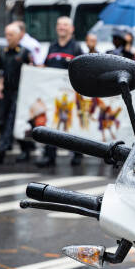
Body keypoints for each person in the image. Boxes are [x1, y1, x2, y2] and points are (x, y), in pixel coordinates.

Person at [38, 16, 84, 167]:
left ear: (72, 29)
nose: (61, 27)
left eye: (65, 25)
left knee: (72, 125)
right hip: (52, 95)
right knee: (51, 124)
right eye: (59, 24)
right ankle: (49, 155)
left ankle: (77, 153)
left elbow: (82, 69)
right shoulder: (52, 47)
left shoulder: (76, 48)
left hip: (69, 95)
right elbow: (46, 68)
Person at [0, 23, 33, 164]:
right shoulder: (3, 52)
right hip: (8, 91)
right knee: (8, 118)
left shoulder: (24, 52)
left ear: (18, 36)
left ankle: (3, 146)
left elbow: (33, 71)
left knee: (14, 119)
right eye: (6, 34)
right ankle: (25, 147)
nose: (8, 37)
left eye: (11, 35)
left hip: (21, 92)